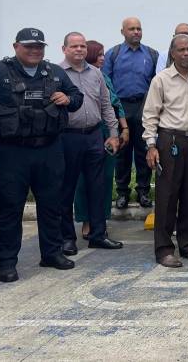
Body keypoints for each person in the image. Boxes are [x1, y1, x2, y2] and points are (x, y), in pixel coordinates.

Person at [0, 28, 84, 283]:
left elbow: (78, 98)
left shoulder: (55, 72)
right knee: (10, 208)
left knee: (52, 205)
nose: (35, 51)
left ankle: (51, 253)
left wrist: (67, 98)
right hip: (12, 151)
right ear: (16, 46)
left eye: (39, 46)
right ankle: (7, 262)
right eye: (29, 46)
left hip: (49, 149)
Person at [141, 34, 188, 268]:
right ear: (172, 53)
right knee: (167, 196)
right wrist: (151, 145)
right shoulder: (161, 80)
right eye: (181, 49)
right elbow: (150, 114)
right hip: (168, 140)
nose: (186, 53)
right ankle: (164, 250)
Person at [58, 32, 122, 257]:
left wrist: (114, 134)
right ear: (64, 49)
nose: (79, 50)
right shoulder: (56, 74)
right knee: (67, 188)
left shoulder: (96, 74)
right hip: (68, 137)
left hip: (95, 136)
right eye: (74, 46)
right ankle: (67, 238)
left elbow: (107, 106)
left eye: (83, 46)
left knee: (98, 187)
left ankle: (98, 234)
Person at [73, 41, 128, 239]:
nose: (102, 58)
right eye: (99, 55)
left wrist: (124, 128)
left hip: (107, 130)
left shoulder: (103, 77)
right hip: (85, 131)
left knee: (104, 178)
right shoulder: (69, 76)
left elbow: (114, 103)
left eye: (103, 54)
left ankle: (101, 220)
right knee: (82, 180)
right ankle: (85, 220)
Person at [103, 17, 158, 209]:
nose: (136, 32)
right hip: (120, 107)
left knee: (144, 150)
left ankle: (143, 191)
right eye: (132, 29)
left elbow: (156, 82)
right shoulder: (113, 54)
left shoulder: (151, 54)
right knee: (122, 152)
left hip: (144, 106)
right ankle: (122, 193)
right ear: (123, 32)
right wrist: (114, 109)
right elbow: (106, 83)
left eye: (139, 29)